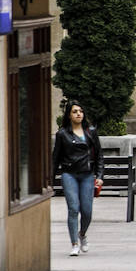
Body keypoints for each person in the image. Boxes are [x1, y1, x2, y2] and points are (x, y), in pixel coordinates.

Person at [52, 101, 103, 257]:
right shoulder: (62, 134)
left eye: (81, 111)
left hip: (87, 174)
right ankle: (74, 243)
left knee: (87, 211)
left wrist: (99, 176)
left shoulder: (91, 132)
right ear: (69, 115)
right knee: (73, 209)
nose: (78, 114)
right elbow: (55, 158)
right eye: (74, 111)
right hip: (69, 174)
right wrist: (49, 180)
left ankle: (82, 234)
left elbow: (99, 155)